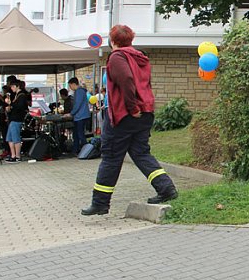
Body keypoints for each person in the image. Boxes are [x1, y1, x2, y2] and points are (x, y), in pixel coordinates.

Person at [81, 24, 178, 215]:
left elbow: (126, 80)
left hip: (125, 115)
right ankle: (166, 188)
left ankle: (100, 203)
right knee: (140, 153)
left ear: (113, 40)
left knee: (111, 156)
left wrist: (132, 107)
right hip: (145, 113)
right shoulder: (140, 57)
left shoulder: (117, 57)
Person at [4, 80, 30, 163]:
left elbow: (20, 107)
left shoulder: (22, 96)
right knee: (9, 138)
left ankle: (17, 156)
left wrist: (11, 104)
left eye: (13, 86)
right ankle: (13, 155)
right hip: (13, 119)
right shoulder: (16, 95)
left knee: (16, 138)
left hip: (17, 119)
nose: (11, 88)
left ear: (18, 86)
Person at [68, 77, 90, 154]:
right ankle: (75, 150)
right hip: (79, 116)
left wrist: (71, 113)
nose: (70, 88)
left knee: (80, 134)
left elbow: (77, 104)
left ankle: (86, 150)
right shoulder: (80, 91)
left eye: (70, 86)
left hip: (80, 116)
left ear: (74, 84)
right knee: (76, 134)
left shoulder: (79, 92)